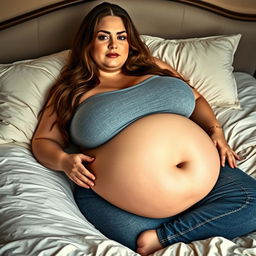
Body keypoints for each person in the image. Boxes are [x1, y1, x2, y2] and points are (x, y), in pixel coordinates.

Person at [32, 2, 256, 255]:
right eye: (103, 37)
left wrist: (216, 130)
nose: (114, 45)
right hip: (118, 201)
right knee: (132, 238)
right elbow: (42, 141)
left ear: (130, 42)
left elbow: (196, 99)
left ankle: (166, 236)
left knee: (252, 204)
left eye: (121, 37)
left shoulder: (152, 66)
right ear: (87, 42)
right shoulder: (71, 90)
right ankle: (174, 230)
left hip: (210, 181)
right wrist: (63, 160)